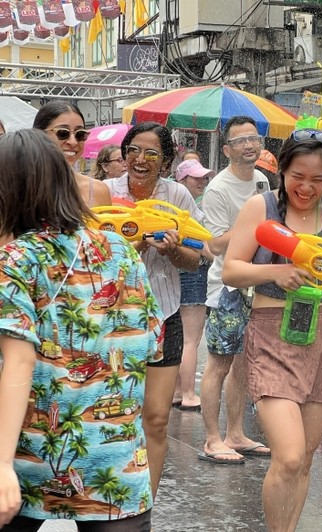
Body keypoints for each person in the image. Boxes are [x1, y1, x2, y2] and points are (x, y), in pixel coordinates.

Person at [0, 129, 162, 530]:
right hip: (118, 473)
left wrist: (1, 464)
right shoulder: (121, 250)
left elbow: (18, 362)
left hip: (28, 468)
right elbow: (152, 344)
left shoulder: (16, 258)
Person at [222, 128, 322, 531]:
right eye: (297, 176)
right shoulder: (260, 206)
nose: (306, 187)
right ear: (282, 170)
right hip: (270, 335)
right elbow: (232, 270)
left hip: (319, 338)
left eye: (318, 180)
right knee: (286, 455)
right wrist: (277, 270)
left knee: (303, 459)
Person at [104, 121, 203, 497]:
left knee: (157, 419)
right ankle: (110, 496)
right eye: (133, 151)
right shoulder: (104, 193)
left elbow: (196, 259)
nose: (140, 160)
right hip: (112, 319)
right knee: (112, 414)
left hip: (163, 314)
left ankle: (146, 504)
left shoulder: (177, 196)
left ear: (165, 162)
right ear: (123, 154)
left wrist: (174, 250)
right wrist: (132, 248)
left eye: (151, 154)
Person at [198, 116, 271, 463]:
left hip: (256, 284)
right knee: (219, 364)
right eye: (240, 141)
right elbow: (212, 244)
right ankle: (213, 439)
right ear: (226, 149)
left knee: (243, 364)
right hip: (226, 288)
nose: (249, 145)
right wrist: (251, 223)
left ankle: (236, 433)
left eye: (254, 138)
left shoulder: (261, 179)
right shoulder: (218, 189)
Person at [172, 158, 215, 411]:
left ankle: (178, 390)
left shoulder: (176, 206)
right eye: (195, 177)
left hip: (177, 274)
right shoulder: (188, 212)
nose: (202, 181)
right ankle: (188, 393)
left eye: (204, 177)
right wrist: (220, 259)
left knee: (179, 337)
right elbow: (200, 246)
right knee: (191, 339)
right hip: (193, 273)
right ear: (181, 180)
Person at [32, 101, 111, 207]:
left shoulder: (98, 190)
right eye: (63, 133)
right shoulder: (19, 186)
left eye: (80, 134)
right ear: (38, 134)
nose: (73, 142)